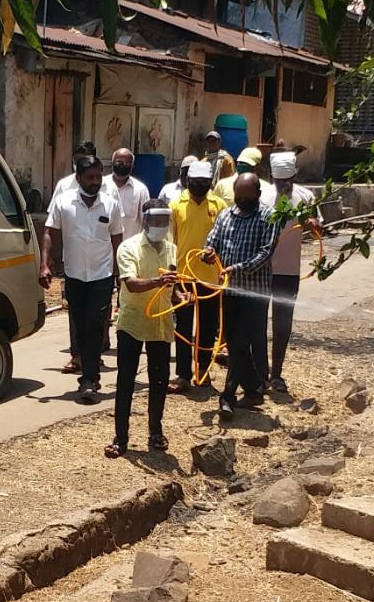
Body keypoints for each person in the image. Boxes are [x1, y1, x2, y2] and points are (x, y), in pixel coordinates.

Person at [42, 155, 124, 403]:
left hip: (102, 275)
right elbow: (49, 232)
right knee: (80, 325)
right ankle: (89, 373)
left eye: (99, 176)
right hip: (75, 274)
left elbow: (117, 240)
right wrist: (44, 264)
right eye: (90, 177)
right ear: (78, 178)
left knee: (95, 324)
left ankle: (89, 379)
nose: (96, 181)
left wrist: (121, 273)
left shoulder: (110, 204)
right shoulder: (64, 202)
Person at [202, 173, 282, 422]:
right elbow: (213, 238)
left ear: (257, 194)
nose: (243, 199)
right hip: (229, 291)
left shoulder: (269, 216)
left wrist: (237, 268)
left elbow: (266, 253)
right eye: (239, 195)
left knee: (238, 343)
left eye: (248, 195)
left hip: (254, 293)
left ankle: (227, 397)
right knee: (232, 341)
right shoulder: (226, 214)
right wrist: (208, 251)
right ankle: (254, 388)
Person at [105, 199, 178, 458]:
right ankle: (120, 437)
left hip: (161, 323)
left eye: (165, 220)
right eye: (156, 220)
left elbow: (173, 288)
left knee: (159, 381)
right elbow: (131, 284)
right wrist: (159, 281)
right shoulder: (129, 248)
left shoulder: (171, 249)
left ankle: (155, 431)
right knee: (126, 380)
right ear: (146, 221)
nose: (161, 225)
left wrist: (182, 296)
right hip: (133, 323)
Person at [166, 161, 226, 393]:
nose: (199, 187)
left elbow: (224, 239)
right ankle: (182, 374)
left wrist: (218, 258)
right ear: (187, 181)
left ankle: (203, 368)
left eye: (203, 183)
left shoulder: (219, 205)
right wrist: (172, 275)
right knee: (183, 326)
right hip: (183, 277)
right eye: (195, 183)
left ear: (210, 183)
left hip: (210, 278)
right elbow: (171, 243)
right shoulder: (175, 205)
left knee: (208, 327)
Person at [265, 151, 318, 394]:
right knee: (256, 324)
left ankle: (276, 373)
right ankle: (258, 373)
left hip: (288, 270)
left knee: (283, 324)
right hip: (261, 270)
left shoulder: (305, 197)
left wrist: (312, 225)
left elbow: (318, 228)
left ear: (295, 176)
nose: (284, 185)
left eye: (288, 180)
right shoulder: (262, 196)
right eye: (279, 181)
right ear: (272, 177)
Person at [48, 141, 98, 374]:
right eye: (78, 156)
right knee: (76, 312)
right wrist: (53, 258)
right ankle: (77, 355)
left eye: (86, 155)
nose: (81, 159)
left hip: (101, 264)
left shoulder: (103, 186)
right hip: (74, 261)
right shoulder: (64, 186)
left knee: (97, 314)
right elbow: (53, 224)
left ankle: (95, 355)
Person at [103, 148, 150, 239]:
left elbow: (146, 220)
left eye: (127, 163)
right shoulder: (101, 186)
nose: (122, 166)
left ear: (132, 166)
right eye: (119, 162)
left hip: (130, 248)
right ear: (112, 163)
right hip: (105, 249)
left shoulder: (140, 189)